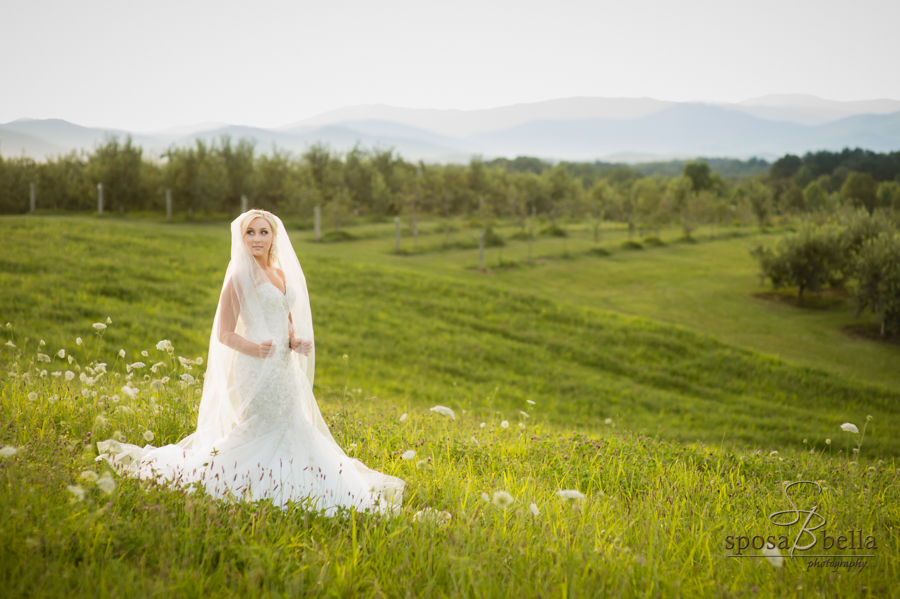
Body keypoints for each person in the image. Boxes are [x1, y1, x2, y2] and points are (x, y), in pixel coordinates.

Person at [97, 209, 404, 515]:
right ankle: (230, 478)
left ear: (274, 237)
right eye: (250, 232)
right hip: (255, 367)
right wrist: (256, 349)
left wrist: (293, 341)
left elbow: (284, 319)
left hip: (283, 367)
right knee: (263, 427)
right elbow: (225, 333)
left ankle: (304, 482)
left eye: (263, 232)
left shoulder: (280, 274)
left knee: (291, 423)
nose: (257, 238)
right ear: (242, 238)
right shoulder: (239, 277)